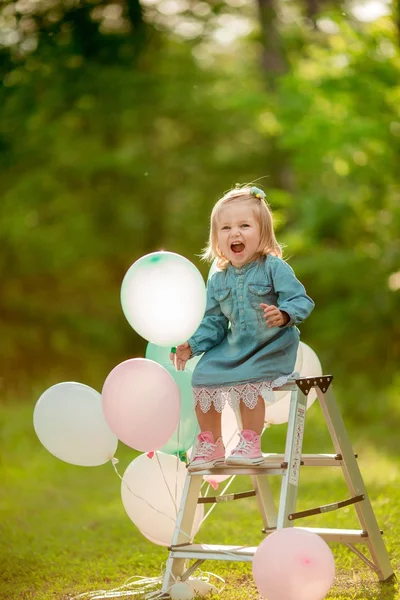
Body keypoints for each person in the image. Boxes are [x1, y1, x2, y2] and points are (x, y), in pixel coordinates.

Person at [170, 184, 314, 471]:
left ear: (262, 233)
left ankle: (250, 441)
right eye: (225, 228)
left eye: (244, 225)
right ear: (216, 239)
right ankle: (212, 442)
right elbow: (213, 322)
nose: (234, 233)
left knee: (250, 378)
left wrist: (284, 314)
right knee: (204, 374)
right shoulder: (219, 278)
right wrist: (193, 345)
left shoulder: (273, 267)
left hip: (271, 345)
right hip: (235, 345)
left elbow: (301, 300)